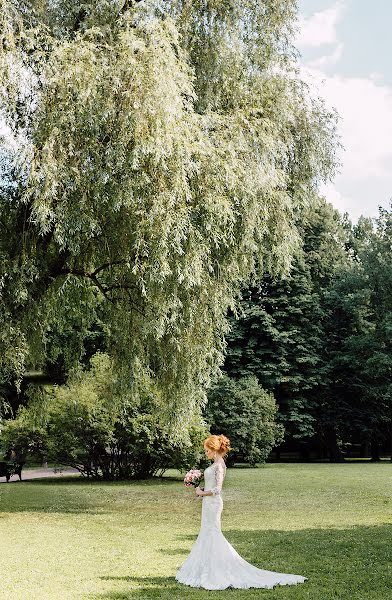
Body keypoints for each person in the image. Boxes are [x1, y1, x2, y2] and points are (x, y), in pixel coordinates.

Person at [176, 434, 307, 590]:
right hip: (208, 504)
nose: (206, 453)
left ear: (214, 449)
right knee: (206, 533)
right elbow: (212, 486)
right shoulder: (215, 464)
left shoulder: (219, 465)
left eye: (206, 450)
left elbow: (217, 490)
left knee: (213, 533)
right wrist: (201, 488)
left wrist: (200, 493)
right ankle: (205, 568)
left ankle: (216, 570)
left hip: (213, 504)